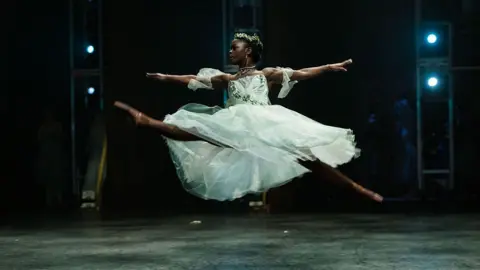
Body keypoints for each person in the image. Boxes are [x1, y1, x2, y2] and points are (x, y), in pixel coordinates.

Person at [114, 32, 383, 203]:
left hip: (266, 121)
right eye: (231, 48)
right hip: (235, 122)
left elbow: (300, 73)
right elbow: (194, 79)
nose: (231, 51)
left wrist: (328, 67)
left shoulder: (265, 74)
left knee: (307, 159)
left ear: (249, 52)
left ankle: (358, 189)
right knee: (196, 130)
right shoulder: (226, 78)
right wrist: (165, 77)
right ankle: (146, 121)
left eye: (235, 47)